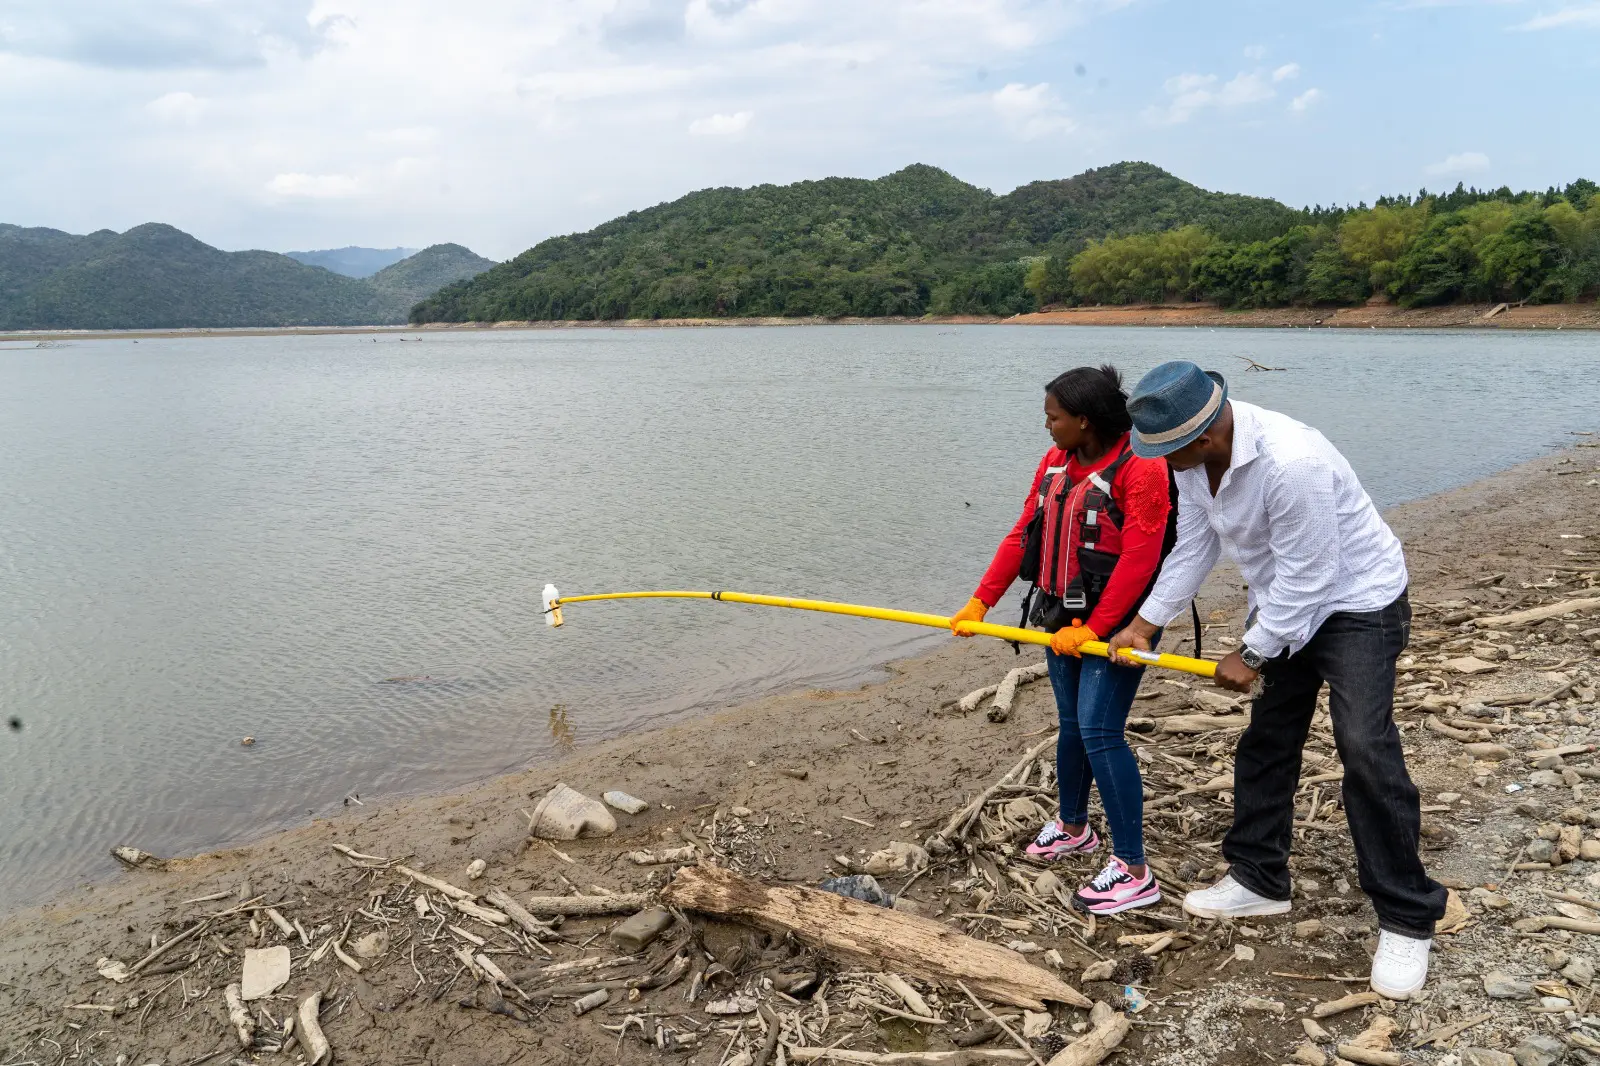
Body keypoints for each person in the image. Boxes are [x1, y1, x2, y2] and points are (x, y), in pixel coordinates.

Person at [1105, 360, 1446, 1000]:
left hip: (1357, 604)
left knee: (1365, 748)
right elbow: (1196, 541)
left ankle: (1407, 916)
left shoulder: (1293, 463)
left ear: (1202, 437)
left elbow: (1314, 578)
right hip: (1285, 597)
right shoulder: (1197, 463)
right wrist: (1147, 623)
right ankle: (1259, 879)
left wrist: (1252, 654)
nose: (1160, 463)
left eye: (1165, 453)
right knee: (1268, 741)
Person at [950, 365, 1175, 915]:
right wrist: (981, 600)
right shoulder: (1055, 463)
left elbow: (1143, 558)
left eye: (1053, 417)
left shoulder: (1140, 467)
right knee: (1073, 724)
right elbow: (1022, 531)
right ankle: (1074, 826)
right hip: (1060, 616)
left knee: (1101, 731)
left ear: (1083, 420)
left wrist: (1096, 629)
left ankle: (1134, 870)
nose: (1046, 426)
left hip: (1120, 625)